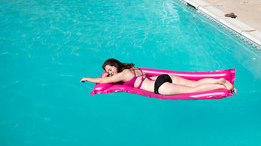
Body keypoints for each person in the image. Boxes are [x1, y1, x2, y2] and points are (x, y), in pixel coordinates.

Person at [80, 58, 237, 95]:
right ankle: (220, 80)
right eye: (108, 71)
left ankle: (224, 87)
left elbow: (101, 81)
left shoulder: (122, 75)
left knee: (195, 90)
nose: (109, 73)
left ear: (115, 66)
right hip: (163, 77)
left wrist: (87, 78)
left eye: (110, 69)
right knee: (194, 83)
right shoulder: (131, 68)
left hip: (160, 87)